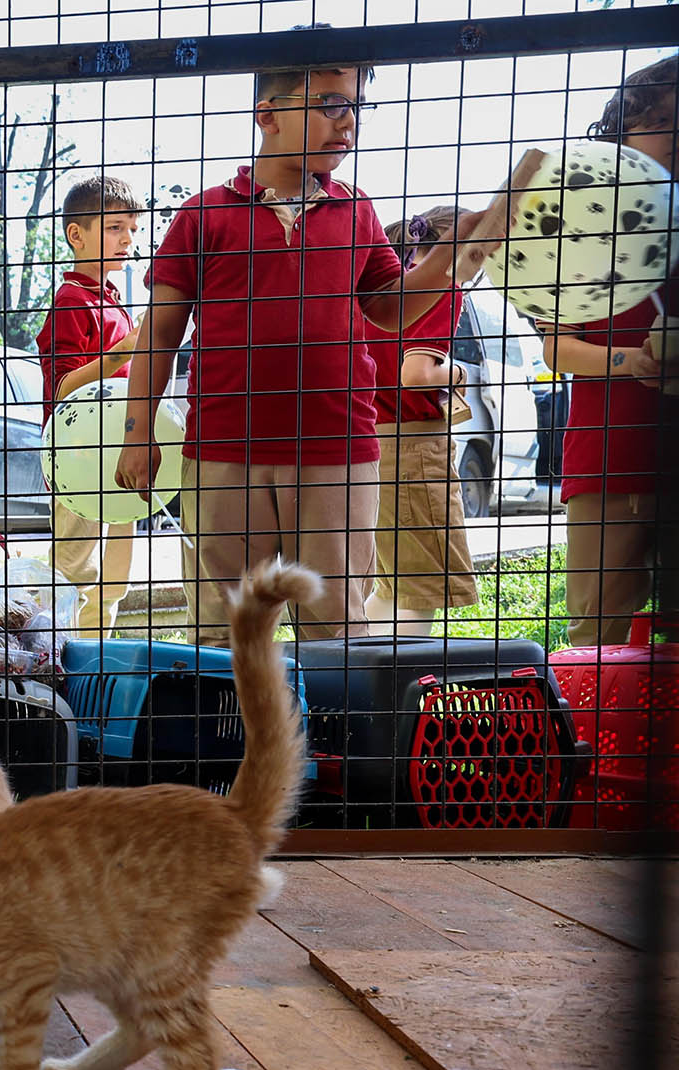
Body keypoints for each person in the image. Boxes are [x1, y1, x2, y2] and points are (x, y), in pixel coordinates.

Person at [117, 36, 511, 644]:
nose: (348, 120)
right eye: (329, 102)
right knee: (225, 634)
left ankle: (332, 743)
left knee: (337, 632)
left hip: (339, 452)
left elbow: (390, 308)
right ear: (267, 114)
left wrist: (452, 257)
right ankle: (230, 743)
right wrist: (138, 434)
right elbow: (159, 337)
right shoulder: (204, 215)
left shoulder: (357, 212)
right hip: (224, 448)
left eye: (356, 106)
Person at [536, 54, 675, 647]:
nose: (674, 137)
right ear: (622, 130)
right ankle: (599, 744)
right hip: (611, 457)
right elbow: (556, 349)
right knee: (600, 643)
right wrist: (632, 361)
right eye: (663, 119)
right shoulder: (582, 225)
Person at [362, 208, 478, 634]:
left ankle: (347, 680)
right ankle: (396, 692)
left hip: (371, 440)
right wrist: (461, 372)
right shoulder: (441, 285)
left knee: (392, 585)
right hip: (413, 445)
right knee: (422, 589)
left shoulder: (388, 283)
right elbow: (416, 375)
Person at [36, 175, 142, 638]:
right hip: (80, 460)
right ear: (76, 235)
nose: (128, 239)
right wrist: (124, 352)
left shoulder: (115, 302)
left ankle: (97, 657)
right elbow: (61, 387)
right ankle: (64, 660)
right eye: (116, 227)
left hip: (121, 456)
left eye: (133, 230)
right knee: (76, 573)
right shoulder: (71, 302)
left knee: (115, 576)